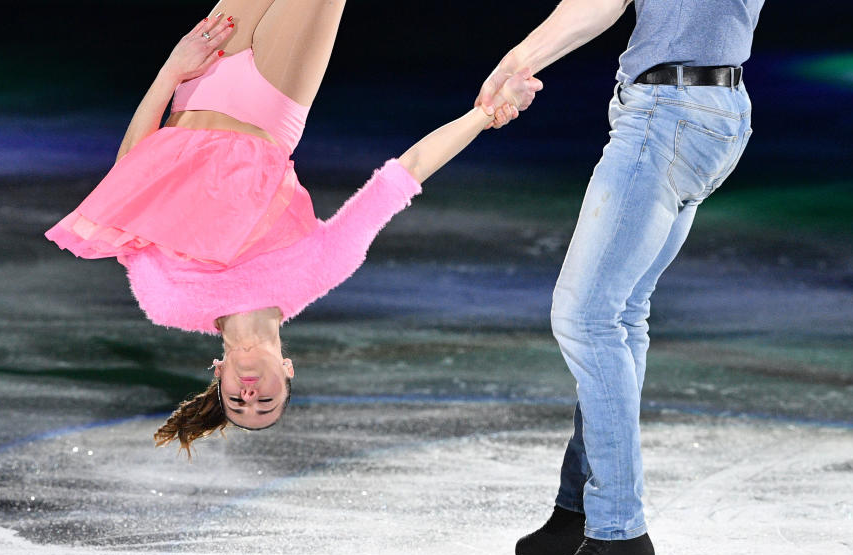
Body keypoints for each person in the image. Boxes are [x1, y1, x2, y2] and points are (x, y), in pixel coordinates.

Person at [45, 1, 541, 455]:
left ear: (217, 377)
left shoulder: (167, 302)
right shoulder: (316, 273)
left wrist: (171, 69)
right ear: (287, 372)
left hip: (196, 83)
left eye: (237, 404)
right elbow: (403, 174)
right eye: (266, 403)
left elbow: (129, 175)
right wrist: (483, 117)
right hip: (272, 97)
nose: (250, 396)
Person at [475, 0, 763, 555]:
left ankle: (619, 535)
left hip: (671, 113)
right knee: (622, 315)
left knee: (586, 318)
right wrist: (521, 62)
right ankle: (583, 511)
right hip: (702, 110)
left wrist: (518, 60)